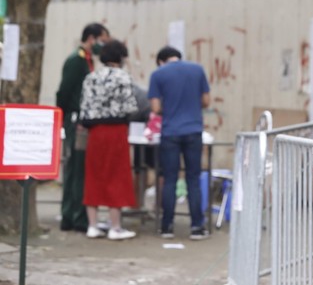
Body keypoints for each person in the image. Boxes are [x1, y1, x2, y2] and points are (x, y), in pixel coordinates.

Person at [148, 46, 211, 240]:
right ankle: (197, 227)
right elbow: (206, 101)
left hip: (171, 132)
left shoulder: (158, 74)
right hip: (193, 130)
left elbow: (155, 107)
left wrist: (171, 107)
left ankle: (167, 226)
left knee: (170, 179)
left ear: (161, 60)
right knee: (193, 178)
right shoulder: (198, 70)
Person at [79, 40, 139, 240]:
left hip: (95, 131)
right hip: (117, 130)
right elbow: (131, 106)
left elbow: (84, 107)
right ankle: (115, 226)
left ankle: (92, 225)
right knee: (117, 175)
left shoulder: (91, 77)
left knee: (93, 174)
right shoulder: (123, 77)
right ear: (120, 57)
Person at [56, 22, 110, 232]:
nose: (102, 45)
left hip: (80, 120)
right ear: (91, 38)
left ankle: (73, 215)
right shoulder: (76, 61)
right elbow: (64, 91)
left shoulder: (86, 60)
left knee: (78, 169)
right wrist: (62, 118)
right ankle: (75, 216)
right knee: (76, 169)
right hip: (75, 120)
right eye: (102, 40)